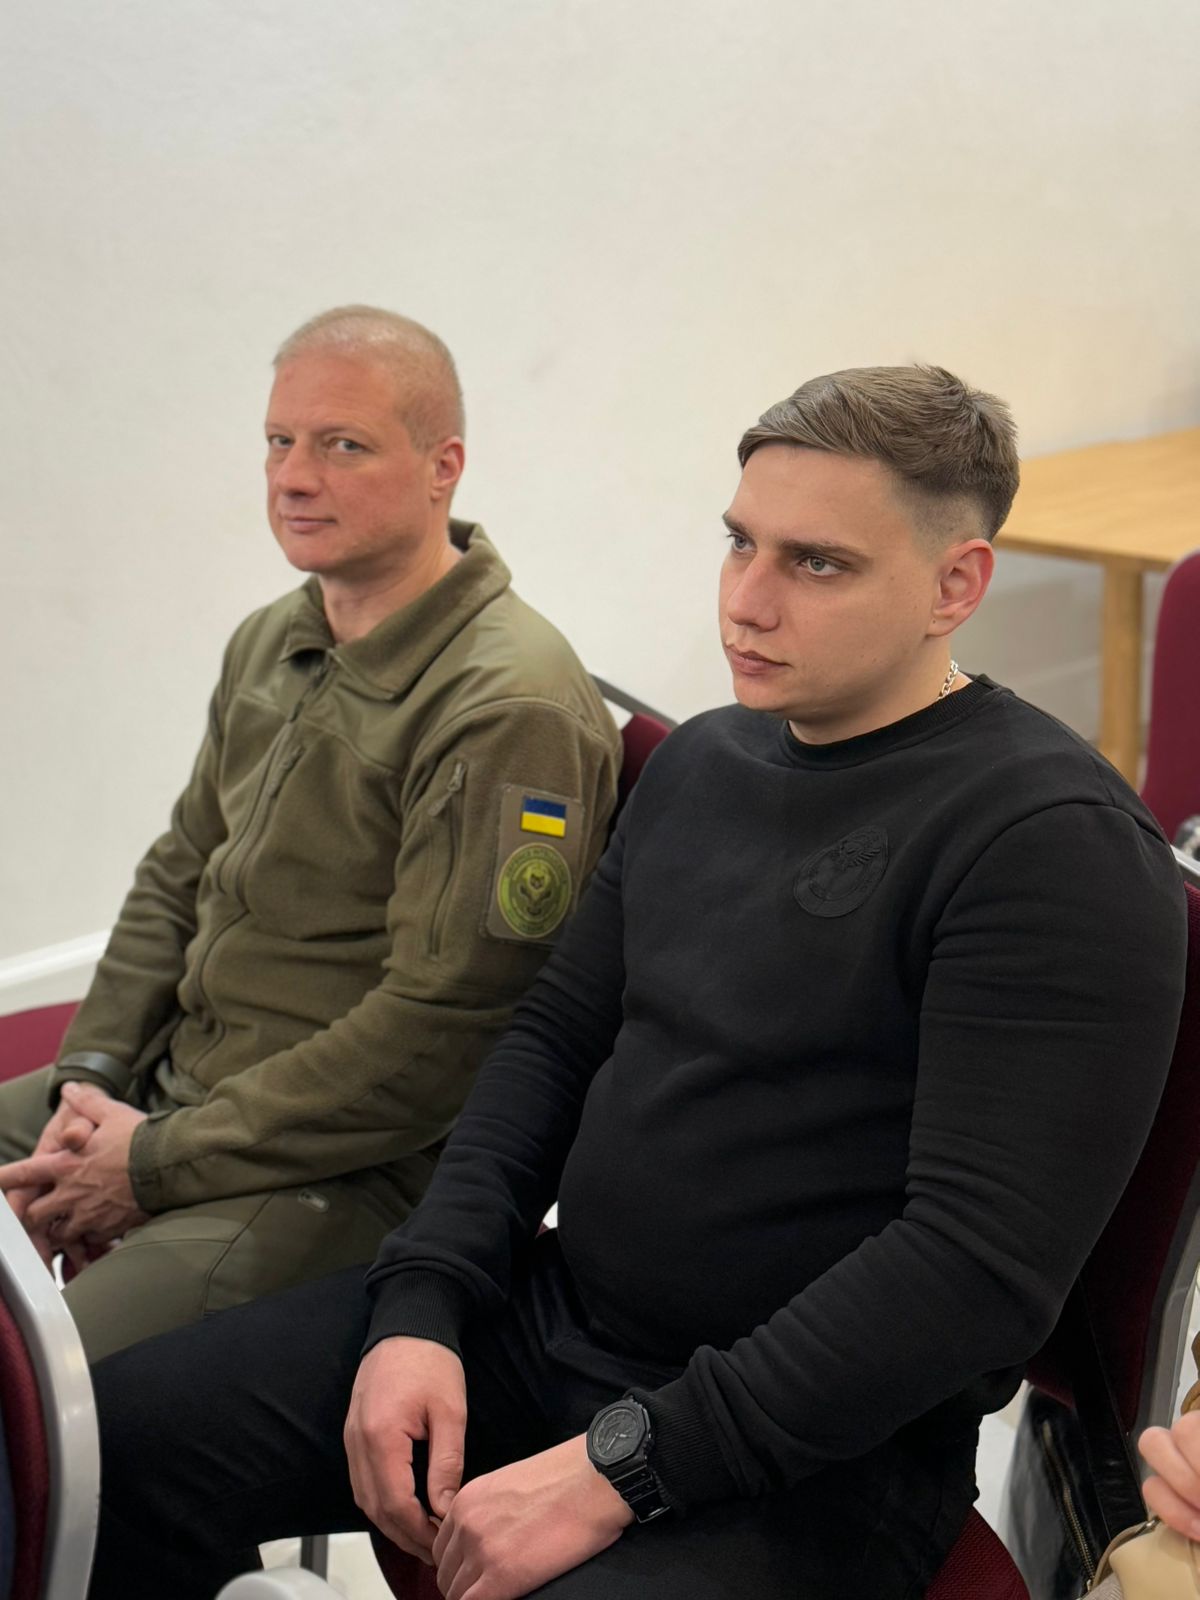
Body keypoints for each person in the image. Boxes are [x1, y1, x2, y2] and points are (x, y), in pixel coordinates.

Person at [83, 365, 1186, 1600]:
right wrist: (424, 1300)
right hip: (551, 1324)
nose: (746, 601)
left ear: (955, 585)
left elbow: (970, 1272)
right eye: (739, 542)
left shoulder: (1052, 847)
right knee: (104, 1452)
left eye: (817, 563)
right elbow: (552, 1042)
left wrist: (621, 1467)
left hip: (813, 1449)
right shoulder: (709, 760)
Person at [0, 306, 620, 1365]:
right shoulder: (275, 637)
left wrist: (152, 1164)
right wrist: (89, 1079)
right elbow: (178, 871)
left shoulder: (507, 706)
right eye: (278, 441)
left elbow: (435, 1039)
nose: (292, 478)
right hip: (179, 1089)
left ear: (443, 467)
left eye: (342, 446)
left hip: (343, 1166)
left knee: (30, 1392)